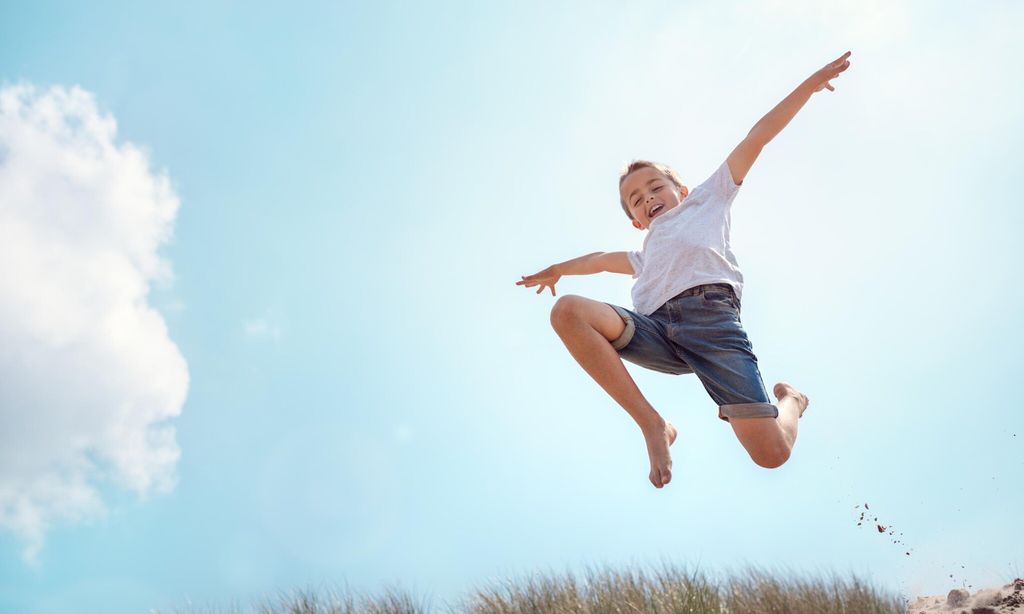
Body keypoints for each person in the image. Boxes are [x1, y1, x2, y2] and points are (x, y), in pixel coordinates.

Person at [516, 51, 852, 489]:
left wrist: (806, 87)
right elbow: (598, 260)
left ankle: (793, 400)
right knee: (568, 311)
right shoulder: (642, 257)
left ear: (682, 190)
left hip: (712, 325)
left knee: (771, 455)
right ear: (636, 221)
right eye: (636, 199)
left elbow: (756, 139)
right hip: (657, 333)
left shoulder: (708, 200)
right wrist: (557, 270)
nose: (648, 196)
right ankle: (654, 426)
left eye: (656, 186)